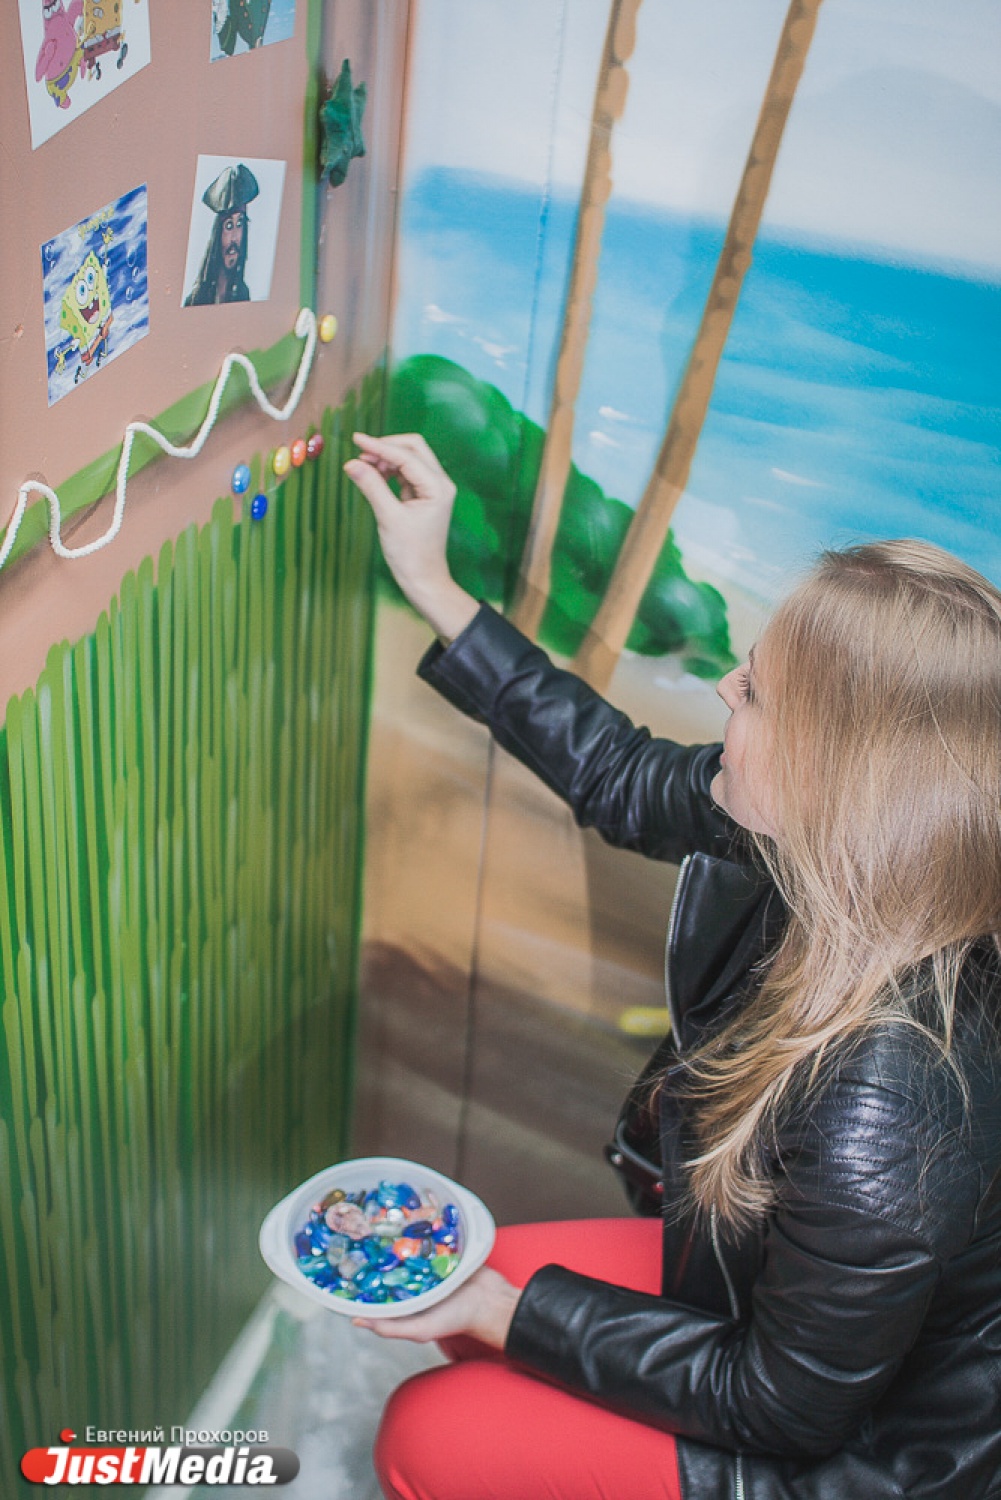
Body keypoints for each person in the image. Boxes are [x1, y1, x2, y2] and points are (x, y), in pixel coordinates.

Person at [344, 432, 1001, 1500]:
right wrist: (436, 587)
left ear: (842, 773)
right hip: (764, 1302)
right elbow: (619, 773)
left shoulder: (894, 1091)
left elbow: (782, 1406)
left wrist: (506, 1315)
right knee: (465, 1302)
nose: (726, 687)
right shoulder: (842, 842)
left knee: (424, 1429)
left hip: (865, 1457)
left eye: (756, 696)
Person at [183, 163, 258, 307]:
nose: (235, 238)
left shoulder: (243, 294)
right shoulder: (197, 299)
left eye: (239, 224)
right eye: (229, 226)